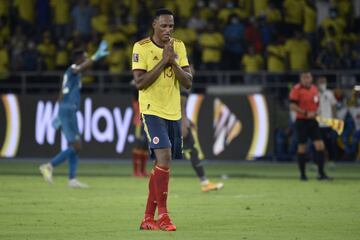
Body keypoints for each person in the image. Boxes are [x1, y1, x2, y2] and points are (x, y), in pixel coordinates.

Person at [132, 9, 192, 231]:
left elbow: (188, 82)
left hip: (173, 111)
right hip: (151, 109)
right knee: (164, 157)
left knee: (162, 165)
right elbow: (140, 83)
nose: (168, 30)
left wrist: (173, 62)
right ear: (154, 25)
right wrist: (163, 61)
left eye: (171, 26)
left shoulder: (179, 46)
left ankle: (148, 218)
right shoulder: (141, 47)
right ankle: (164, 215)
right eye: (164, 25)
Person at [39, 40, 109, 188]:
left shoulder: (71, 75)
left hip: (66, 109)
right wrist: (96, 56)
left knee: (74, 145)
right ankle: (49, 166)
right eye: (85, 58)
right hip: (69, 110)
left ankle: (72, 179)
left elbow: (61, 92)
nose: (87, 60)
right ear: (78, 60)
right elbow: (82, 67)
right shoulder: (72, 69)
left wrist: (59, 112)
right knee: (77, 146)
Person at [289, 72, 332, 181]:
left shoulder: (314, 89)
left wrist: (315, 112)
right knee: (302, 147)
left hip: (312, 121)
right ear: (301, 79)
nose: (306, 79)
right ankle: (303, 175)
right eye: (304, 77)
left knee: (320, 146)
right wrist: (305, 113)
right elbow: (292, 105)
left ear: (311, 78)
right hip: (302, 121)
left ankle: (321, 174)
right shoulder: (296, 89)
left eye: (308, 77)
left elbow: (316, 104)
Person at [181, 87, 224, 192]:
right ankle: (204, 182)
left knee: (190, 152)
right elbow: (180, 107)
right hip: (178, 125)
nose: (192, 71)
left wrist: (188, 121)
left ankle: (204, 182)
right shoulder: (182, 87)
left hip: (177, 123)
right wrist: (183, 125)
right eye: (191, 69)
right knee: (190, 152)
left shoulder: (179, 86)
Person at [316, 76, 338, 164]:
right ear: (317, 83)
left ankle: (331, 160)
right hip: (317, 123)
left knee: (329, 143)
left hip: (328, 123)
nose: (322, 84)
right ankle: (318, 162)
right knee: (317, 144)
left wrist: (334, 119)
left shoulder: (329, 93)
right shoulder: (314, 93)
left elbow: (334, 106)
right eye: (321, 82)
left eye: (324, 82)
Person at [131, 87, 149, 177]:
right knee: (138, 146)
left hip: (147, 123)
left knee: (145, 147)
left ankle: (143, 171)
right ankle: (136, 172)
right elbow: (135, 90)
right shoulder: (137, 101)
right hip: (139, 123)